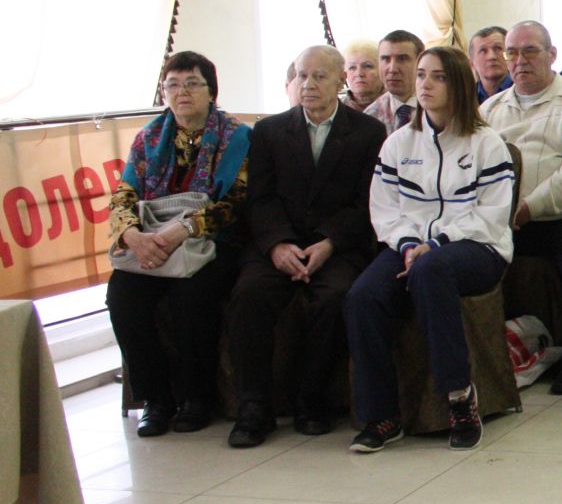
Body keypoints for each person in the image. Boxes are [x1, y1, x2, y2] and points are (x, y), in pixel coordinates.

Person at [346, 46, 515, 452]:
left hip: (477, 247)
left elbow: (491, 215)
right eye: (421, 75)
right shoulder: (399, 144)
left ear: (457, 83)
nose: (425, 84)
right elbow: (383, 209)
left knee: (432, 270)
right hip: (409, 245)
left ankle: (459, 398)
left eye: (437, 76)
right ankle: (382, 414)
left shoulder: (486, 143)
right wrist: (408, 245)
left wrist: (435, 244)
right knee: (362, 297)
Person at [226, 46, 384, 446]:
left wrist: (329, 243)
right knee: (249, 294)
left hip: (336, 246)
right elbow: (259, 199)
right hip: (279, 244)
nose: (307, 85)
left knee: (334, 297)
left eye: (318, 77)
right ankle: (254, 406)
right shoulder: (269, 131)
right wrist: (278, 245)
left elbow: (366, 201)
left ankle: (312, 400)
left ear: (340, 81)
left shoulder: (366, 132)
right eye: (301, 76)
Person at [107, 52, 251, 437]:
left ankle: (196, 397)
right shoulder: (149, 137)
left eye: (192, 83)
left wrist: (183, 231)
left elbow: (236, 203)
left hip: (214, 241)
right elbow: (123, 195)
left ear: (211, 91)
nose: (181, 92)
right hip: (152, 240)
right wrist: (132, 236)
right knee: (123, 295)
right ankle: (155, 400)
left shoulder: (237, 137)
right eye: (172, 84)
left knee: (191, 296)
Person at [481, 20, 562, 394]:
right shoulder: (490, 110)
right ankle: (491, 356)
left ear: (552, 55)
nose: (519, 61)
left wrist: (530, 206)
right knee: (470, 260)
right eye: (512, 53)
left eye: (530, 51)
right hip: (502, 219)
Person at [364, 29, 423, 135]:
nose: (392, 69)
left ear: (421, 62)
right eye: (385, 59)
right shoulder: (371, 116)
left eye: (402, 59)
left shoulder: (441, 109)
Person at [470, 25, 512, 100]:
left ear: (509, 55)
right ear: (472, 64)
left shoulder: (524, 91)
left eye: (498, 48)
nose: (491, 56)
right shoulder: (464, 98)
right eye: (483, 51)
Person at [342, 40, 384, 113]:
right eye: (352, 68)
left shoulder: (399, 106)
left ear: (383, 69)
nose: (359, 74)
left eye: (367, 66)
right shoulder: (334, 109)